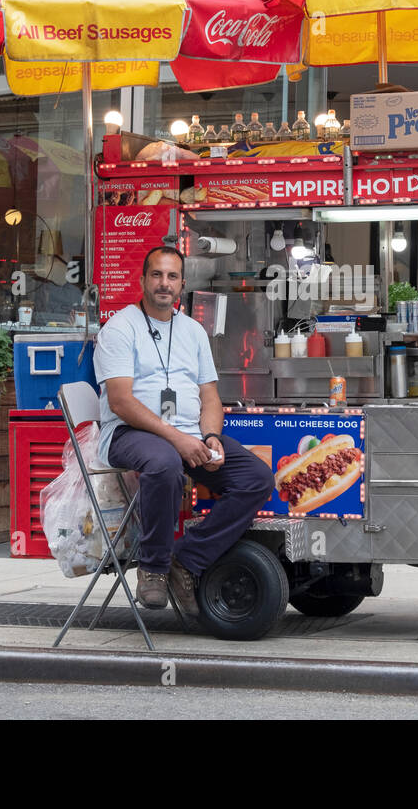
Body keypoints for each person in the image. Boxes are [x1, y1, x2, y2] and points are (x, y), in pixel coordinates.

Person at [93, 246, 274, 615]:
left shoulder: (192, 331)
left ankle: (186, 558)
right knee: (164, 463)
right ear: (142, 280)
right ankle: (154, 568)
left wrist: (209, 437)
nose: (164, 283)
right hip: (129, 433)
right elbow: (121, 402)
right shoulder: (120, 328)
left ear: (182, 284)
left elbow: (210, 396)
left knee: (256, 478)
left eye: (172, 276)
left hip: (189, 432)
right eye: (156, 275)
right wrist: (178, 439)